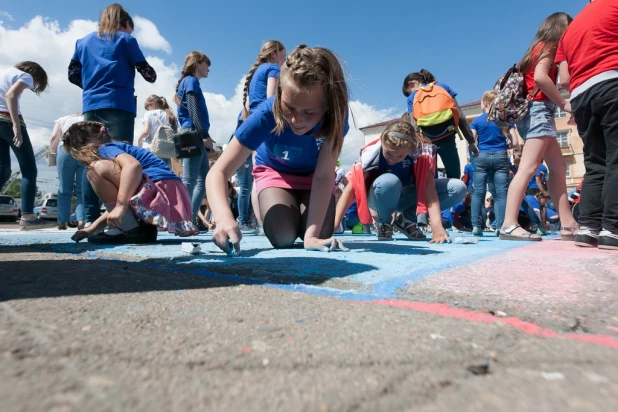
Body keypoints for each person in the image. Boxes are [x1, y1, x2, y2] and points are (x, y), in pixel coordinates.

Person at [206, 45, 349, 255]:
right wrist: (224, 218)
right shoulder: (266, 113)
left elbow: (324, 174)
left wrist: (311, 237)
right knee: (282, 236)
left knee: (320, 232)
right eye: (289, 107)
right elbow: (217, 172)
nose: (296, 120)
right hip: (276, 173)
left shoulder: (337, 117)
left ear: (328, 106)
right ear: (280, 93)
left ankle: (307, 222)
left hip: (314, 178)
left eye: (309, 112)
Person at [69, 3, 157, 226]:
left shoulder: (83, 42)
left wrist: (92, 87)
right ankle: (125, 219)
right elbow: (149, 74)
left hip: (91, 105)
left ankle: (87, 219)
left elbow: (72, 74)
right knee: (121, 161)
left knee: (90, 160)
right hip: (119, 104)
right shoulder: (126, 40)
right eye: (130, 28)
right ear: (125, 23)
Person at [499, 12, 578, 242]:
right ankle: (509, 224)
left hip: (538, 112)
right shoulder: (548, 48)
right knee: (528, 167)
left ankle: (568, 223)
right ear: (561, 29)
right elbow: (542, 77)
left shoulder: (537, 47)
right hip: (539, 111)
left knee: (558, 167)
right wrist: (563, 102)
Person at [63, 121, 198, 244]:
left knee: (94, 169)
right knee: (123, 189)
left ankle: (130, 230)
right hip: (169, 193)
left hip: (159, 189)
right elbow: (122, 201)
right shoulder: (121, 148)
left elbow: (133, 166)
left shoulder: (105, 148)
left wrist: (120, 207)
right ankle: (143, 230)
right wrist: (91, 229)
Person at [337, 121, 466, 242]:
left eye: (400, 156)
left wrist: (437, 226)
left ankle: (407, 220)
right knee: (390, 181)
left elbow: (429, 190)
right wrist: (335, 224)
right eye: (389, 154)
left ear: (411, 149)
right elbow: (351, 190)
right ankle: (384, 222)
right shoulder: (370, 155)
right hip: (379, 196)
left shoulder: (421, 155)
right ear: (383, 143)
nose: (392, 159)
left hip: (406, 196)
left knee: (458, 188)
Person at [556, 0, 618, 249]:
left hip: (581, 94)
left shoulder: (570, 30)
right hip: (611, 80)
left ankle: (589, 228)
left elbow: (564, 78)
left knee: (594, 163)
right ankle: (612, 228)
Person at [236, 41, 286, 234]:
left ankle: (260, 221)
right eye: (283, 54)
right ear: (274, 54)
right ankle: (265, 222)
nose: (284, 59)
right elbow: (272, 98)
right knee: (266, 172)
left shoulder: (257, 71)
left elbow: (249, 105)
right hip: (266, 121)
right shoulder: (273, 68)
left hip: (253, 121)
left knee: (257, 174)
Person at [0, 61, 55, 230]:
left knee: (3, 170)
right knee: (29, 170)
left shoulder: (4, 72)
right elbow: (11, 95)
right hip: (8, 120)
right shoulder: (26, 75)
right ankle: (28, 216)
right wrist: (16, 125)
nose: (33, 85)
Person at [402, 69, 478, 178]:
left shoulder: (413, 96)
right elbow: (459, 115)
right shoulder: (442, 86)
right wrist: (470, 141)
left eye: (409, 91)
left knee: (431, 177)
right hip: (448, 136)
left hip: (426, 141)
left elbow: (414, 125)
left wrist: (416, 146)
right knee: (454, 175)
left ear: (412, 83)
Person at [174, 51, 214, 223]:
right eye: (206, 65)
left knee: (205, 179)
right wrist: (203, 134)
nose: (208, 69)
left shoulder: (189, 82)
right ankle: (182, 219)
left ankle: (189, 217)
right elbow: (192, 109)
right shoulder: (191, 81)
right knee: (190, 179)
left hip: (194, 132)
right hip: (192, 133)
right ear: (197, 64)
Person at [469, 91, 511, 236]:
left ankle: (476, 226)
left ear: (485, 102)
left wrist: (474, 155)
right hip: (501, 156)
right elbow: (515, 142)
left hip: (482, 156)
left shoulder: (477, 121)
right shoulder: (504, 120)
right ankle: (500, 227)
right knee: (501, 194)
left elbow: (472, 143)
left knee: (478, 193)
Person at [49, 113, 85, 230]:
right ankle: (81, 220)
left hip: (65, 150)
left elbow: (54, 137)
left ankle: (62, 221)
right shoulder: (87, 118)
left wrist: (53, 155)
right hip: (84, 151)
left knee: (64, 189)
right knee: (81, 190)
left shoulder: (62, 119)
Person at [137, 95, 178, 161]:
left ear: (152, 103)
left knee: (149, 171)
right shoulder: (169, 115)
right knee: (164, 171)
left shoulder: (148, 114)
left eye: (148, 108)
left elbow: (146, 132)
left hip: (150, 149)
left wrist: (139, 140)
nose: (148, 110)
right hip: (165, 151)